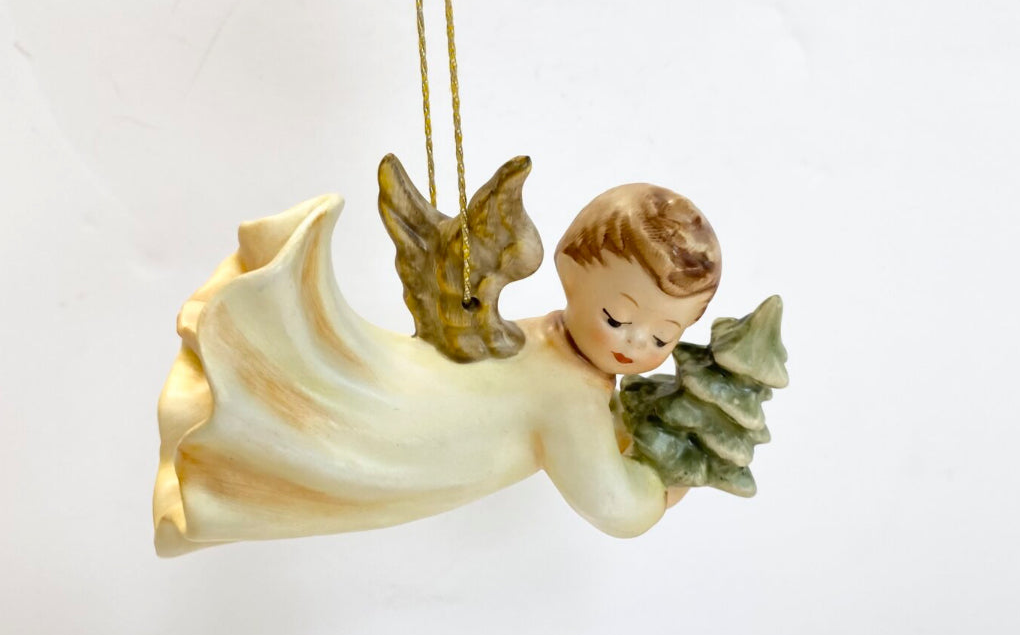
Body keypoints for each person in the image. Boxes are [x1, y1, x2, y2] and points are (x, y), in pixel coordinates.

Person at [153, 175, 720, 556]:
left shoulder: (548, 344)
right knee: (315, 435)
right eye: (616, 317)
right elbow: (614, 507)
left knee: (307, 427)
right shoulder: (571, 397)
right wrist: (666, 485)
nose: (633, 345)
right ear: (571, 272)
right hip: (414, 434)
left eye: (662, 337)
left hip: (430, 402)